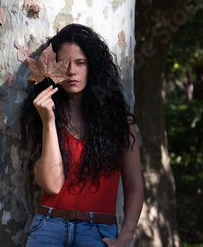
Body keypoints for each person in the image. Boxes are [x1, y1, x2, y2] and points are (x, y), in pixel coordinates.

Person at [20, 24, 143, 247]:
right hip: (48, 227)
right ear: (52, 68)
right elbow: (52, 185)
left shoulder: (119, 120)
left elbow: (134, 185)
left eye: (80, 62)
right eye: (63, 63)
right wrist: (48, 121)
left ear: (93, 66)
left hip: (98, 232)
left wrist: (126, 237)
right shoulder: (38, 115)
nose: (71, 71)